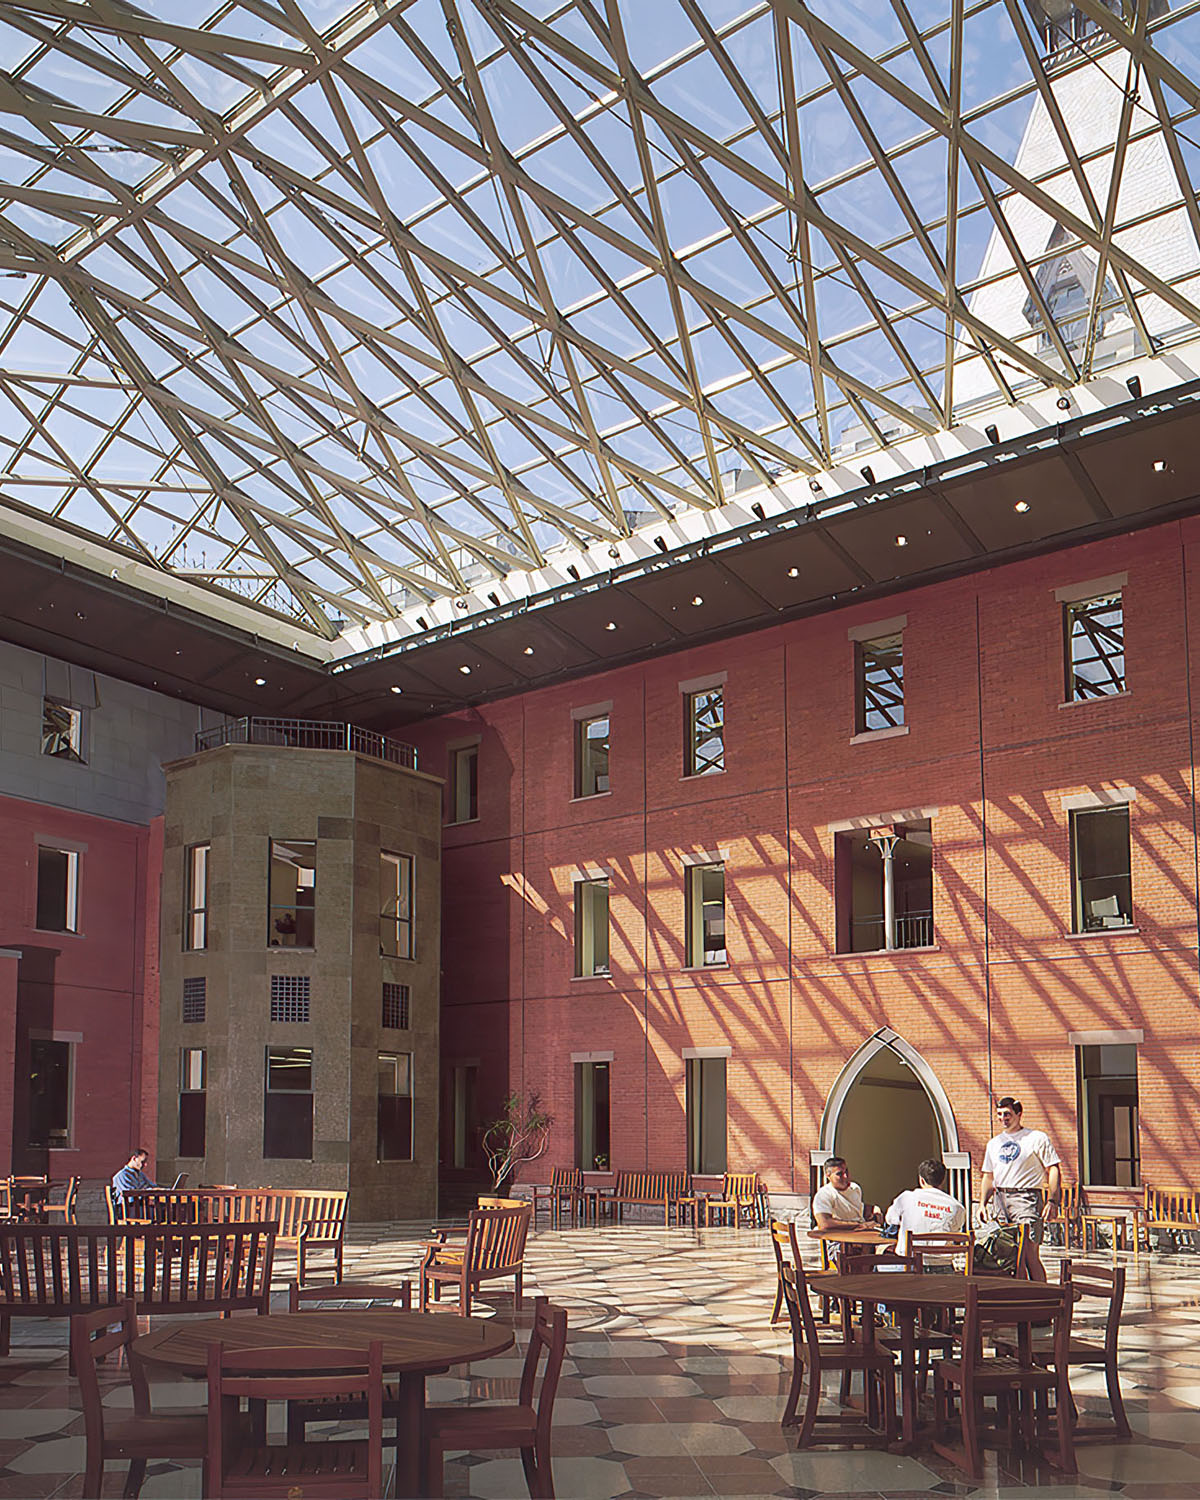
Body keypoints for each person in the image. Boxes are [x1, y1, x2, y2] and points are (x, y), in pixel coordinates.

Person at [980, 1096, 1061, 1282]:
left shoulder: (1036, 1138)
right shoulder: (993, 1144)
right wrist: (982, 1204)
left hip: (1026, 1198)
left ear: (1019, 1114)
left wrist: (1052, 1200)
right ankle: (1016, 1293)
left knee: (1028, 1252)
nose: (1003, 1118)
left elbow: (1053, 1168)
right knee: (1007, 1253)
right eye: (999, 1114)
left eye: (1007, 1114)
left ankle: (1042, 1295)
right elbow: (988, 1175)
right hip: (1000, 1198)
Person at [885, 1157, 966, 1258]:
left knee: (879, 1259)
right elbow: (955, 1232)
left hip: (909, 1264)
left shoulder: (906, 1198)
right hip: (941, 1266)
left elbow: (890, 1219)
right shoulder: (956, 1206)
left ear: (921, 1180)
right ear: (943, 1180)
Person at [812, 1156, 880, 1233]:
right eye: (839, 1174)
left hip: (861, 1233)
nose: (846, 1176)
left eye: (846, 1171)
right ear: (828, 1175)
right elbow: (824, 1224)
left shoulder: (855, 1188)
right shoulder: (824, 1195)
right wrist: (859, 1225)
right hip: (840, 1238)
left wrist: (873, 1209)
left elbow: (855, 1209)